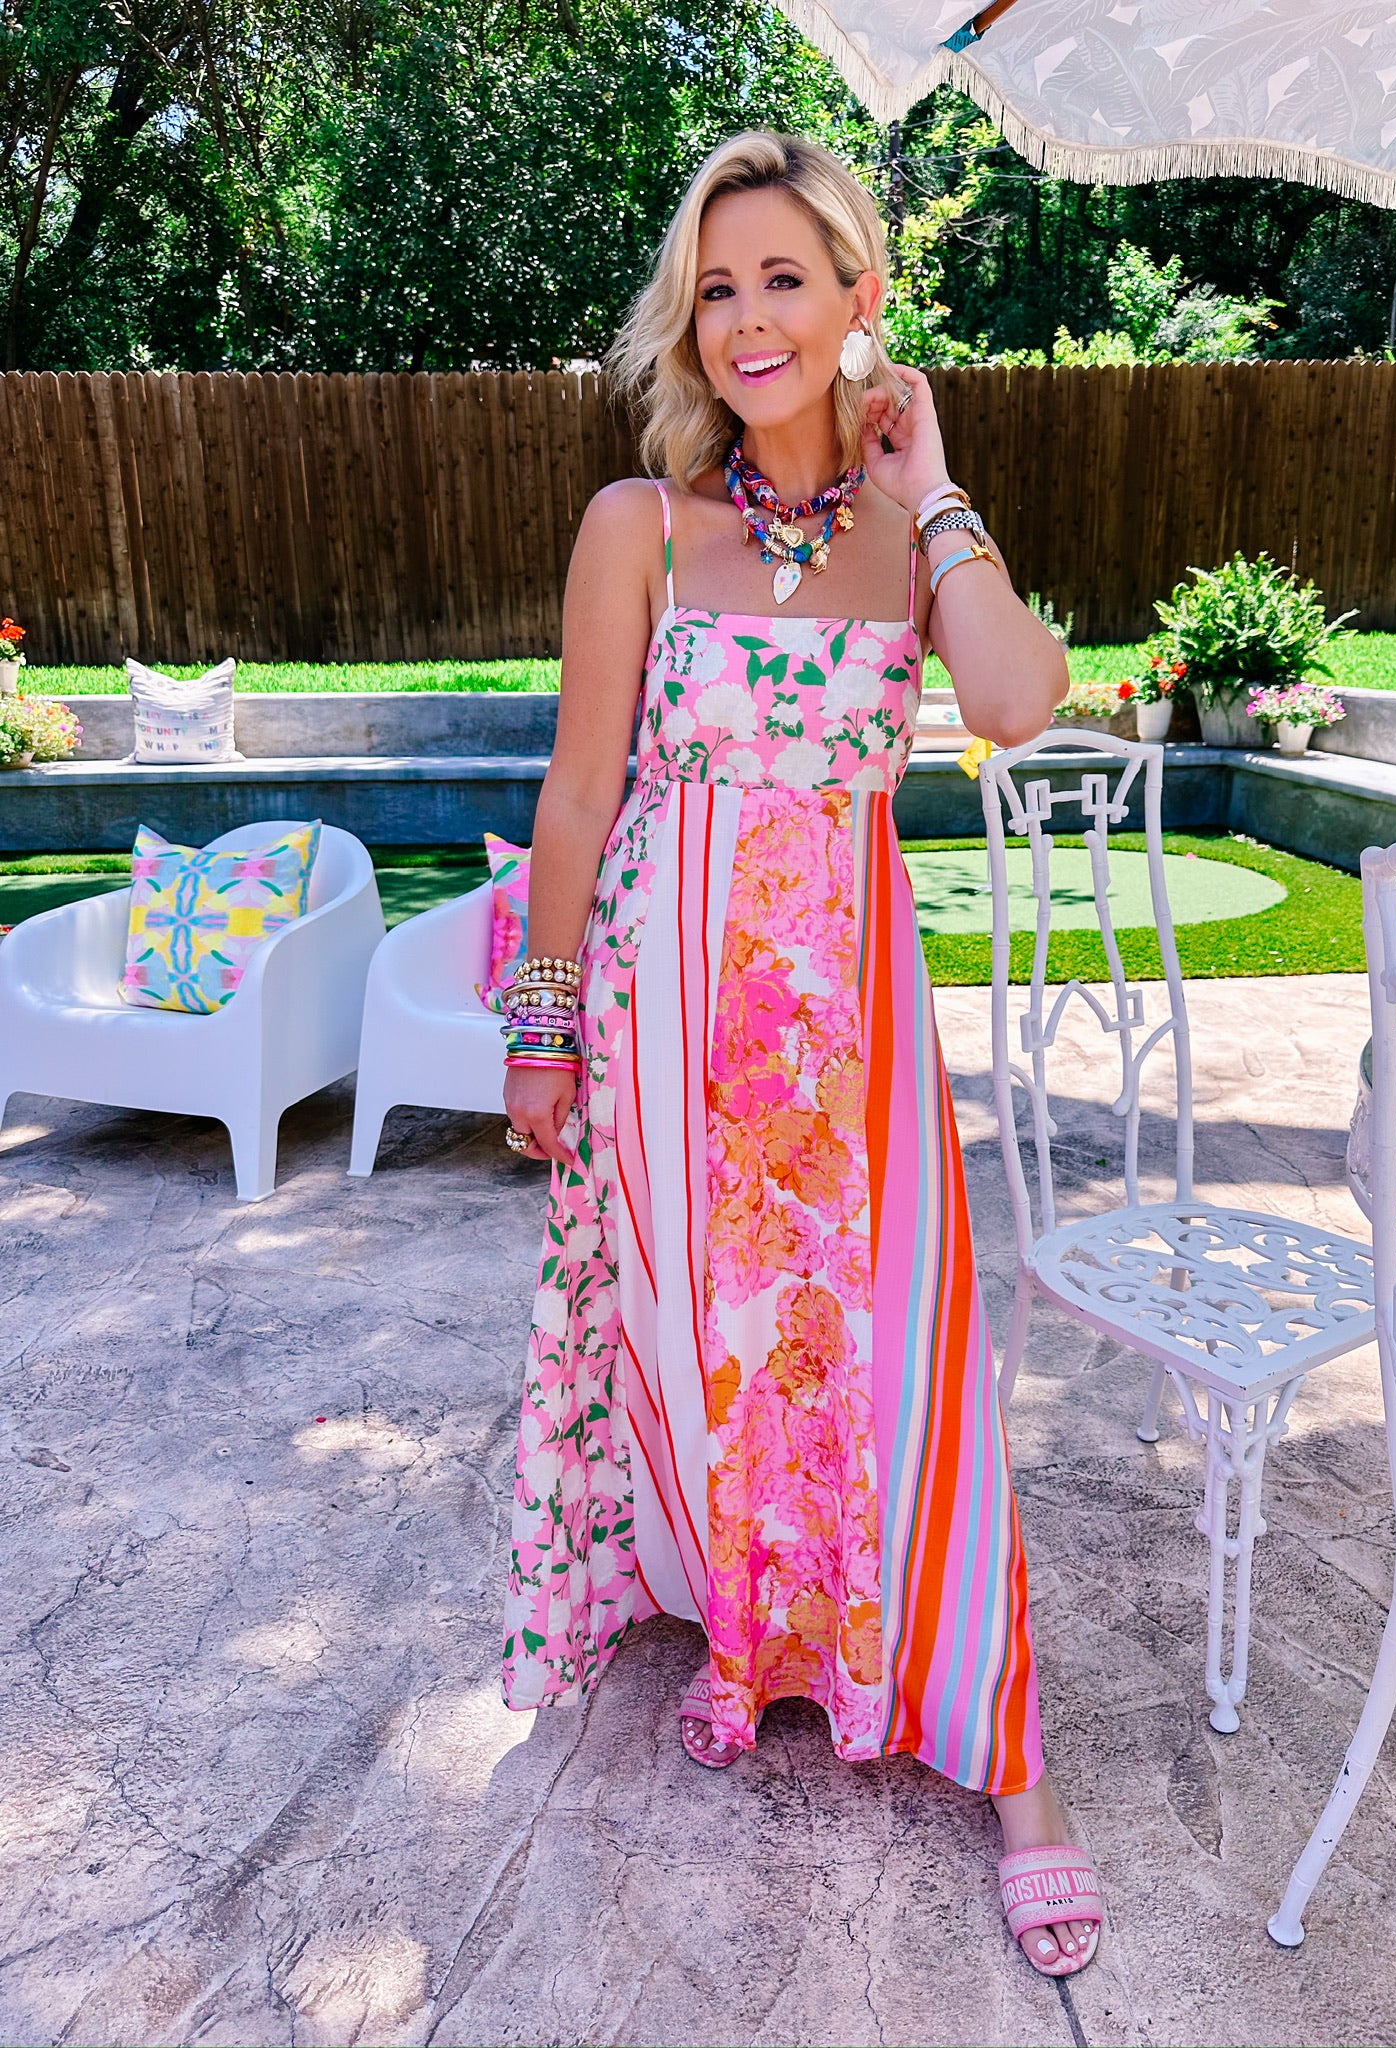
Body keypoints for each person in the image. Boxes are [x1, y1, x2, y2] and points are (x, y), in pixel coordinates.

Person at [499, 129, 1100, 1977]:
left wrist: (939, 490)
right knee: (717, 1354)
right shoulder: (638, 527)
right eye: (718, 286)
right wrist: (543, 1023)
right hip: (663, 1020)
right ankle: (762, 1640)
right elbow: (580, 789)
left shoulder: (915, 541)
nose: (748, 319)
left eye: (784, 278)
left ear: (859, 297)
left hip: (852, 1033)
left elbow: (1016, 701)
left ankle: (1013, 1766)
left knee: (912, 1365)